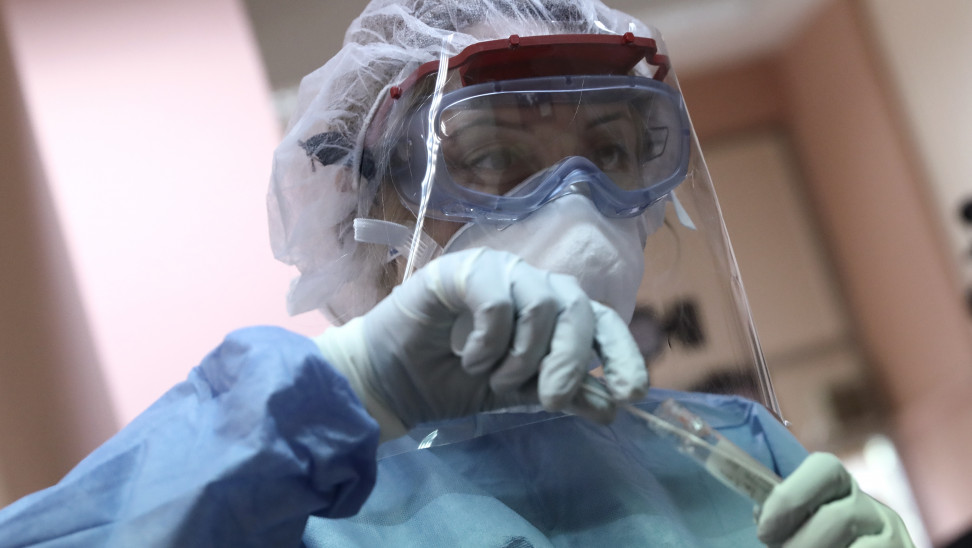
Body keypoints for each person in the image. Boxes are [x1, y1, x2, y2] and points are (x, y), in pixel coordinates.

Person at [0, 0, 913, 546]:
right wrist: (358, 390)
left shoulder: (741, 455)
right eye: (493, 157)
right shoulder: (291, 505)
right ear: (369, 216)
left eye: (611, 151)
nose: (576, 205)